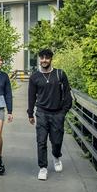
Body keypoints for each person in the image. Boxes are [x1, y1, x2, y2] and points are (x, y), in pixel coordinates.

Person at [27, 48, 73, 180]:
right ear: (39, 59)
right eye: (42, 58)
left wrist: (64, 111)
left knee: (57, 141)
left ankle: (56, 156)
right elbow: (31, 96)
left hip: (58, 113)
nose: (44, 60)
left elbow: (67, 94)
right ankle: (43, 168)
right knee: (41, 141)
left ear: (51, 59)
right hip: (41, 112)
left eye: (47, 58)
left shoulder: (60, 74)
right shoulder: (35, 77)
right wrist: (30, 113)